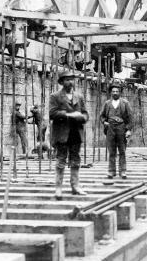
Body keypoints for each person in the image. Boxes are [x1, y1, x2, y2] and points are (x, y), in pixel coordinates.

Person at [50, 71, 89, 200]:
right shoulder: (55, 96)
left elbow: (85, 114)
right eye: (67, 80)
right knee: (61, 160)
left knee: (75, 160)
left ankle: (75, 186)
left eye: (72, 80)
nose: (70, 82)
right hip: (62, 133)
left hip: (76, 132)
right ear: (62, 82)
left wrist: (81, 117)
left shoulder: (79, 97)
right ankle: (58, 188)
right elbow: (52, 113)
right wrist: (69, 115)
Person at [100, 83, 133, 179]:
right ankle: (111, 171)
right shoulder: (107, 103)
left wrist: (128, 130)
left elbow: (130, 117)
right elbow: (102, 116)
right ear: (111, 92)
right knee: (111, 151)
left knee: (122, 151)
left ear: (120, 93)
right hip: (110, 129)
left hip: (121, 128)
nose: (115, 93)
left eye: (117, 91)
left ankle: (122, 171)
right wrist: (104, 122)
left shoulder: (125, 103)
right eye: (113, 91)